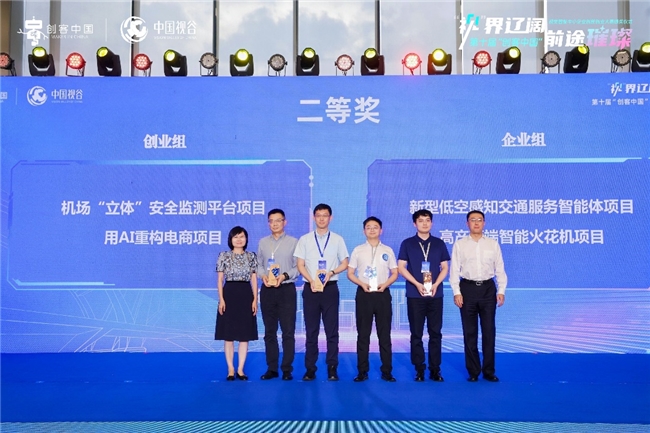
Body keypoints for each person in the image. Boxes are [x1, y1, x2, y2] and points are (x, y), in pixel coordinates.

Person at [450, 210, 507, 382]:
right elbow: (454, 271)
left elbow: (500, 269)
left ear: (484, 223)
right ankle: (473, 371)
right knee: (470, 332)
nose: (476, 223)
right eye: (472, 220)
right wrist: (457, 292)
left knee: (489, 331)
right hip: (467, 288)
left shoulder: (492, 244)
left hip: (488, 289)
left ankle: (489, 371)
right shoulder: (460, 244)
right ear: (467, 223)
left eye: (479, 220)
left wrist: (501, 290)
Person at [294, 203, 349, 381]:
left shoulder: (338, 239)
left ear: (330, 218)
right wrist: (311, 280)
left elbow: (345, 263)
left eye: (325, 215)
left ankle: (332, 367)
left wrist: (331, 272)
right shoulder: (305, 239)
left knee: (332, 331)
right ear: (314, 217)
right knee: (311, 331)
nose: (322, 218)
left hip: (330, 288)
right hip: (311, 288)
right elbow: (300, 264)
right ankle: (310, 368)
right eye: (318, 215)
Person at [397, 209, 450, 382]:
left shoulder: (439, 243)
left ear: (432, 223)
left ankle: (435, 369)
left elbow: (445, 268)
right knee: (416, 333)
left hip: (435, 294)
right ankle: (419, 368)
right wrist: (417, 284)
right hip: (415, 294)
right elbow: (401, 267)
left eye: (427, 220)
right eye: (420, 220)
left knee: (435, 333)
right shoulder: (407, 243)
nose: (424, 223)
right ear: (415, 223)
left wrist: (435, 284)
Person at [347, 216, 399, 382]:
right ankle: (362, 371)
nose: (372, 230)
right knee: (363, 334)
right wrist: (362, 284)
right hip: (364, 294)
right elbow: (350, 273)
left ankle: (387, 371)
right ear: (364, 231)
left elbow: (395, 273)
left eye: (375, 227)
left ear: (381, 230)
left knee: (385, 335)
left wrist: (385, 285)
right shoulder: (358, 250)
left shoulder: (388, 250)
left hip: (383, 294)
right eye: (368, 227)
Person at [256, 209, 299, 381]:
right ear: (268, 223)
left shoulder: (294, 242)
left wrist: (284, 276)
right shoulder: (263, 242)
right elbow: (258, 264)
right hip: (267, 289)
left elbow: (298, 267)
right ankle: (272, 368)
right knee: (269, 331)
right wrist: (263, 276)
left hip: (286, 289)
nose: (274, 224)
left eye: (278, 220)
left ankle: (287, 369)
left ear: (284, 222)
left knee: (288, 331)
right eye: (271, 221)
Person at [214, 226, 258, 381]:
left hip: (246, 294)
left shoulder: (251, 256)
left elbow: (254, 279)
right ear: (230, 239)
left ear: (246, 239)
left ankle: (240, 369)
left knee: (244, 336)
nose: (239, 240)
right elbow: (220, 279)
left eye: (242, 236)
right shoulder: (224, 256)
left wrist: (255, 299)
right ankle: (230, 369)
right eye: (236, 237)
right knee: (229, 336)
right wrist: (221, 299)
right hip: (229, 294)